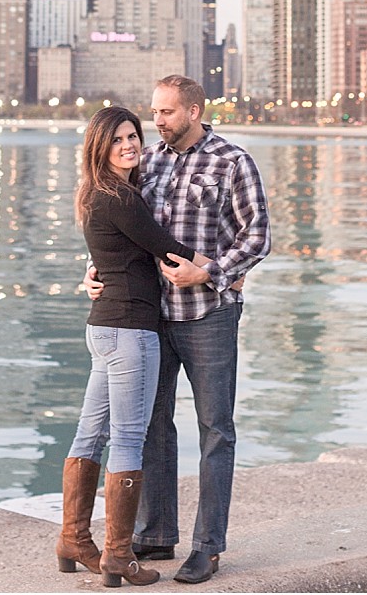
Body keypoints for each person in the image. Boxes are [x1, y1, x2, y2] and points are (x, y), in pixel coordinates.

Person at [85, 76, 271, 585]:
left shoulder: (232, 161)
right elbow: (123, 227)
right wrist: (93, 269)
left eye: (166, 113)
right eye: (154, 112)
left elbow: (258, 236)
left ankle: (208, 546)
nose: (156, 122)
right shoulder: (149, 163)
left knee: (215, 430)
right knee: (152, 425)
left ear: (193, 110)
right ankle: (155, 531)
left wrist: (207, 271)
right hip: (149, 317)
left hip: (209, 313)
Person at [57, 104, 213, 589]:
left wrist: (91, 273)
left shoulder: (98, 194)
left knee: (90, 434)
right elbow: (161, 243)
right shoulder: (120, 198)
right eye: (119, 138)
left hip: (103, 328)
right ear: (100, 147)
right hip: (129, 330)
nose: (129, 145)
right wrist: (213, 266)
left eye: (133, 136)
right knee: (126, 439)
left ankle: (74, 540)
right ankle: (118, 557)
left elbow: (112, 253)